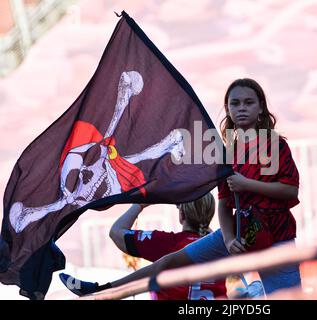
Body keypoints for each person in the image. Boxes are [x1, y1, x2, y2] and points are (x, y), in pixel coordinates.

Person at [60, 78, 301, 297]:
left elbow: (289, 191)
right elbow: (225, 205)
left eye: (249, 102)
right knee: (168, 263)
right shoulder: (228, 154)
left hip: (277, 240)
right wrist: (228, 239)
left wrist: (246, 184)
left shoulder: (273, 145)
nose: (241, 108)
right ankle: (105, 292)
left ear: (261, 107)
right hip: (239, 236)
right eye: (235, 103)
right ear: (228, 109)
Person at [60, 192, 226, 300]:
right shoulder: (221, 245)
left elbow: (117, 232)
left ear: (182, 214)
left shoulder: (167, 243)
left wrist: (140, 204)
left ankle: (103, 290)